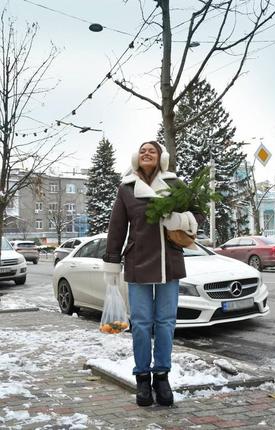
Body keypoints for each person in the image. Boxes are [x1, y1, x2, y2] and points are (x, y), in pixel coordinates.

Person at [103, 141, 204, 407]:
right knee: (141, 324)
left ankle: (162, 376)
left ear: (162, 158)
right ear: (137, 157)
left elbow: (198, 213)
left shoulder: (175, 184)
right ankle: (142, 379)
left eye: (153, 150)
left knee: (166, 323)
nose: (148, 153)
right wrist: (112, 264)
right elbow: (116, 228)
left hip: (169, 261)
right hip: (137, 262)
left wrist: (180, 221)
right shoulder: (126, 188)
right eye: (143, 150)